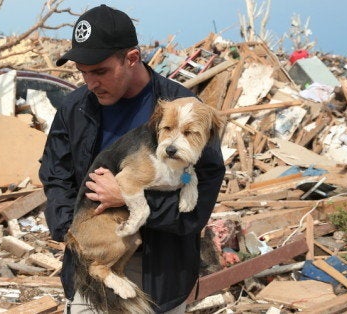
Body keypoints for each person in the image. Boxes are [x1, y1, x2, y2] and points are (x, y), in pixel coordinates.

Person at [38, 4, 225, 313]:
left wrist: (125, 197)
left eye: (100, 71)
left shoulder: (181, 112)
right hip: (94, 261)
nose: (91, 83)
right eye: (83, 73)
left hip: (157, 271)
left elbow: (197, 206)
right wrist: (68, 231)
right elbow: (56, 172)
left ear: (132, 58)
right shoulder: (75, 107)